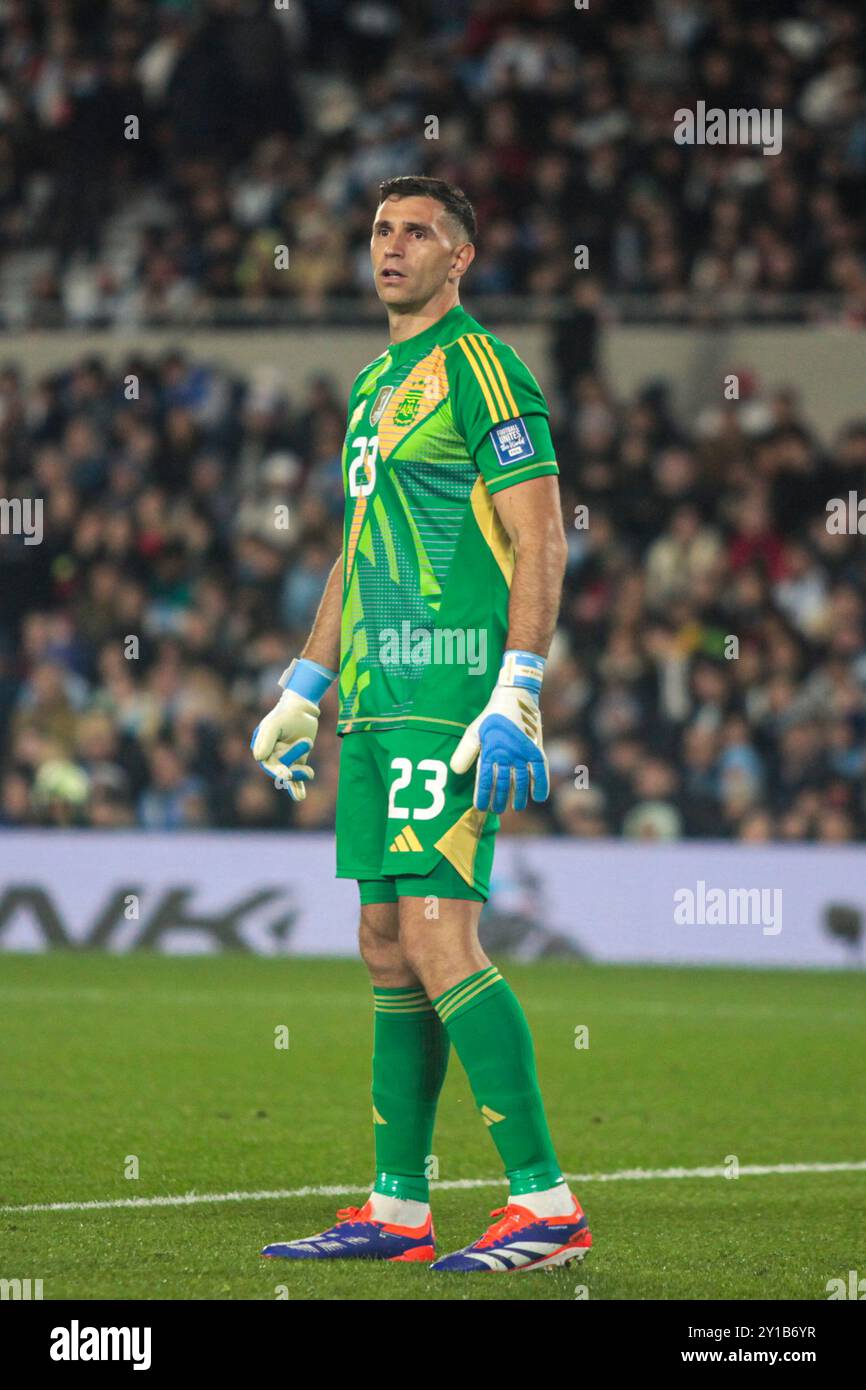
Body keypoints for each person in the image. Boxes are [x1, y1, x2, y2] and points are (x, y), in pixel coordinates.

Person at [251, 175, 591, 1273]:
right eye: (379, 230)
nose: (390, 247)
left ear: (460, 259)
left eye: (417, 233)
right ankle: (397, 1212)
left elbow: (539, 537)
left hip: (452, 700)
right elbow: (358, 546)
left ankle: (545, 1206)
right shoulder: (370, 384)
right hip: (375, 700)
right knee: (386, 944)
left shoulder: (483, 367)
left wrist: (517, 689)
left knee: (443, 940)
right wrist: (304, 685)